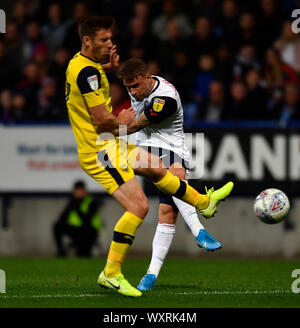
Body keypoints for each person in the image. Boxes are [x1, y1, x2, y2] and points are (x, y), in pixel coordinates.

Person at [65, 15, 233, 298]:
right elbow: (102, 122)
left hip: (109, 144)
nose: (110, 43)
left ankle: (203, 202)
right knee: (139, 207)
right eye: (104, 39)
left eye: (110, 38)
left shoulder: (80, 64)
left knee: (156, 168)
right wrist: (122, 120)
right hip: (101, 149)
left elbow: (88, 82)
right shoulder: (89, 74)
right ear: (87, 40)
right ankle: (111, 273)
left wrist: (107, 67)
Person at [117, 57, 224, 291]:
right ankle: (200, 228)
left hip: (172, 147)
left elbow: (134, 125)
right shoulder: (139, 88)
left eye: (135, 86)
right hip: (147, 148)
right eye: (128, 88)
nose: (133, 92)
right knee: (174, 177)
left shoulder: (165, 98)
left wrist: (116, 127)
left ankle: (150, 275)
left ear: (147, 77)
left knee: (167, 213)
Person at [53, 181, 102, 257]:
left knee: (83, 254)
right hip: (76, 230)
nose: (78, 193)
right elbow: (62, 217)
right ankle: (61, 252)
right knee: (58, 226)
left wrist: (77, 205)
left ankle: (82, 248)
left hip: (89, 231)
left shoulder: (91, 201)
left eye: (80, 191)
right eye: (76, 191)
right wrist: (73, 203)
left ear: (84, 191)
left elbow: (86, 220)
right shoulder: (73, 201)